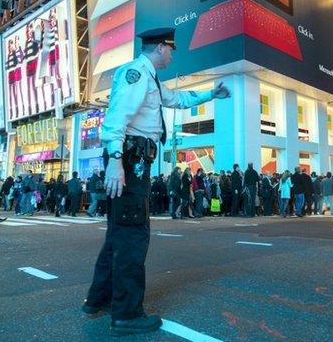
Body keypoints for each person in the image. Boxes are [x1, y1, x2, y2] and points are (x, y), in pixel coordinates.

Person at [82, 27, 231, 337]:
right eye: (171, 49)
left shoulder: (150, 79)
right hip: (131, 164)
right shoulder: (137, 74)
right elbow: (116, 118)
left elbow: (177, 99)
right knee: (133, 237)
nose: (173, 55)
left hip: (133, 163)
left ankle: (100, 299)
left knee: (117, 235)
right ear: (162, 47)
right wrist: (114, 161)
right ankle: (126, 314)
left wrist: (210, 94)